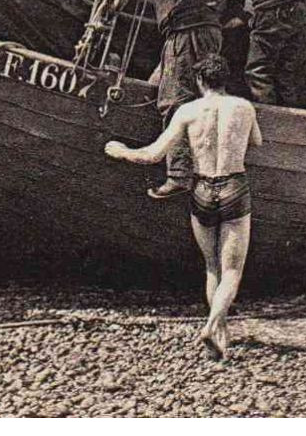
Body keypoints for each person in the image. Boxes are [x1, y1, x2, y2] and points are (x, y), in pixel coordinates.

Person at [105, 54, 261, 360]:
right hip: (233, 187)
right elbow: (256, 141)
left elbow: (152, 154)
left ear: (201, 82)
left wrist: (122, 151)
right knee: (232, 270)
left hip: (201, 188)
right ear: (225, 80)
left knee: (212, 266)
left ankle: (220, 335)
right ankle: (212, 326)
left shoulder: (187, 111)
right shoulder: (244, 107)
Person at [119, 0, 226, 199]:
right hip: (196, 34)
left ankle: (179, 175)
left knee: (176, 100)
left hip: (186, 34)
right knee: (159, 86)